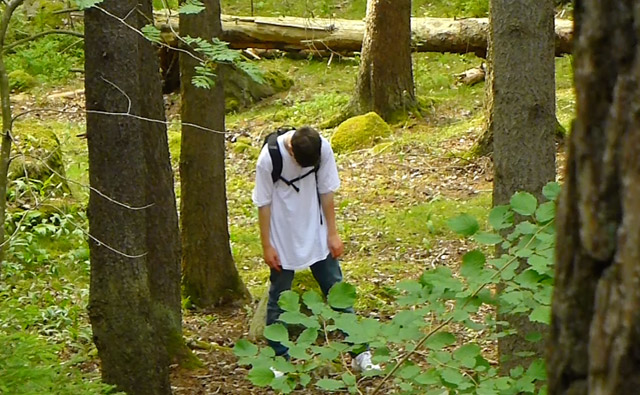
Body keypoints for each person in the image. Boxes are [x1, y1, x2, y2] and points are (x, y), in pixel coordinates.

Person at [252, 126, 379, 374]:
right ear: (291, 149)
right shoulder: (270, 159)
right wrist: (267, 245)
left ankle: (360, 352)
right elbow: (263, 204)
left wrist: (332, 233)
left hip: (316, 231)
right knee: (279, 298)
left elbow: (326, 192)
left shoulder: (322, 149)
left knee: (337, 290)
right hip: (282, 236)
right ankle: (279, 359)